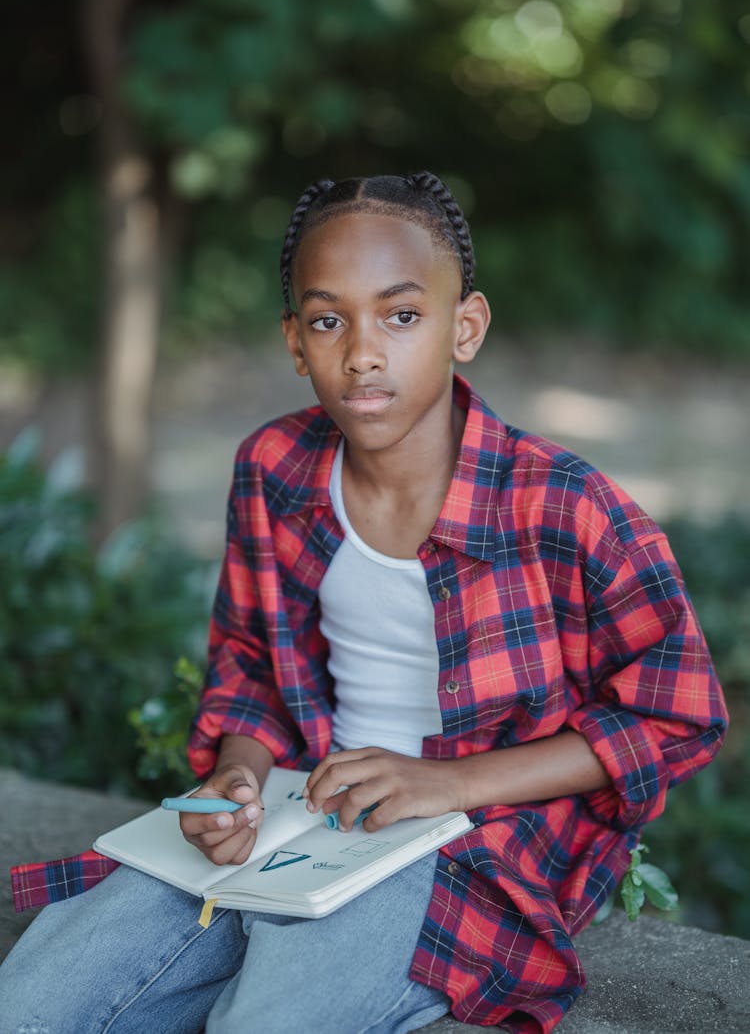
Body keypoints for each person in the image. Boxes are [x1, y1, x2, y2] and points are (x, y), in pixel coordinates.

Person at [0, 173, 728, 1034]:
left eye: (402, 315)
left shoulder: (567, 507)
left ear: (467, 327)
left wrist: (443, 782)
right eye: (327, 319)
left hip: (474, 839)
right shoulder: (274, 468)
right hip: (304, 810)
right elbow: (250, 666)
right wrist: (239, 775)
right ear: (294, 341)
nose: (363, 352)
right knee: (34, 1000)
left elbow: (678, 718)